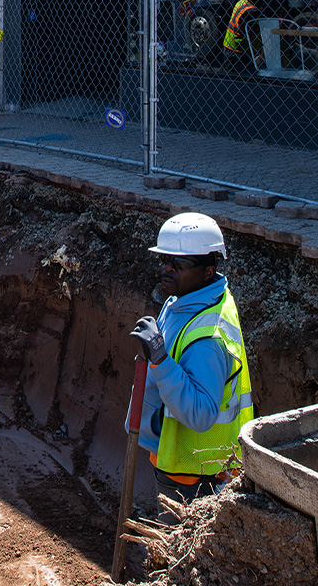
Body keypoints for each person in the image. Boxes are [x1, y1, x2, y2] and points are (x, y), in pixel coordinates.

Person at [128, 212, 253, 522]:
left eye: (178, 264)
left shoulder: (208, 341)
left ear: (208, 270)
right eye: (163, 260)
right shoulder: (188, 298)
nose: (166, 270)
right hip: (180, 457)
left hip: (196, 472)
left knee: (180, 557)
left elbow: (200, 413)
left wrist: (159, 358)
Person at [221, 0, 271, 73]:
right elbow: (263, 19)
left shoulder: (244, 3)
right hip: (237, 54)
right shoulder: (249, 11)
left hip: (242, 52)